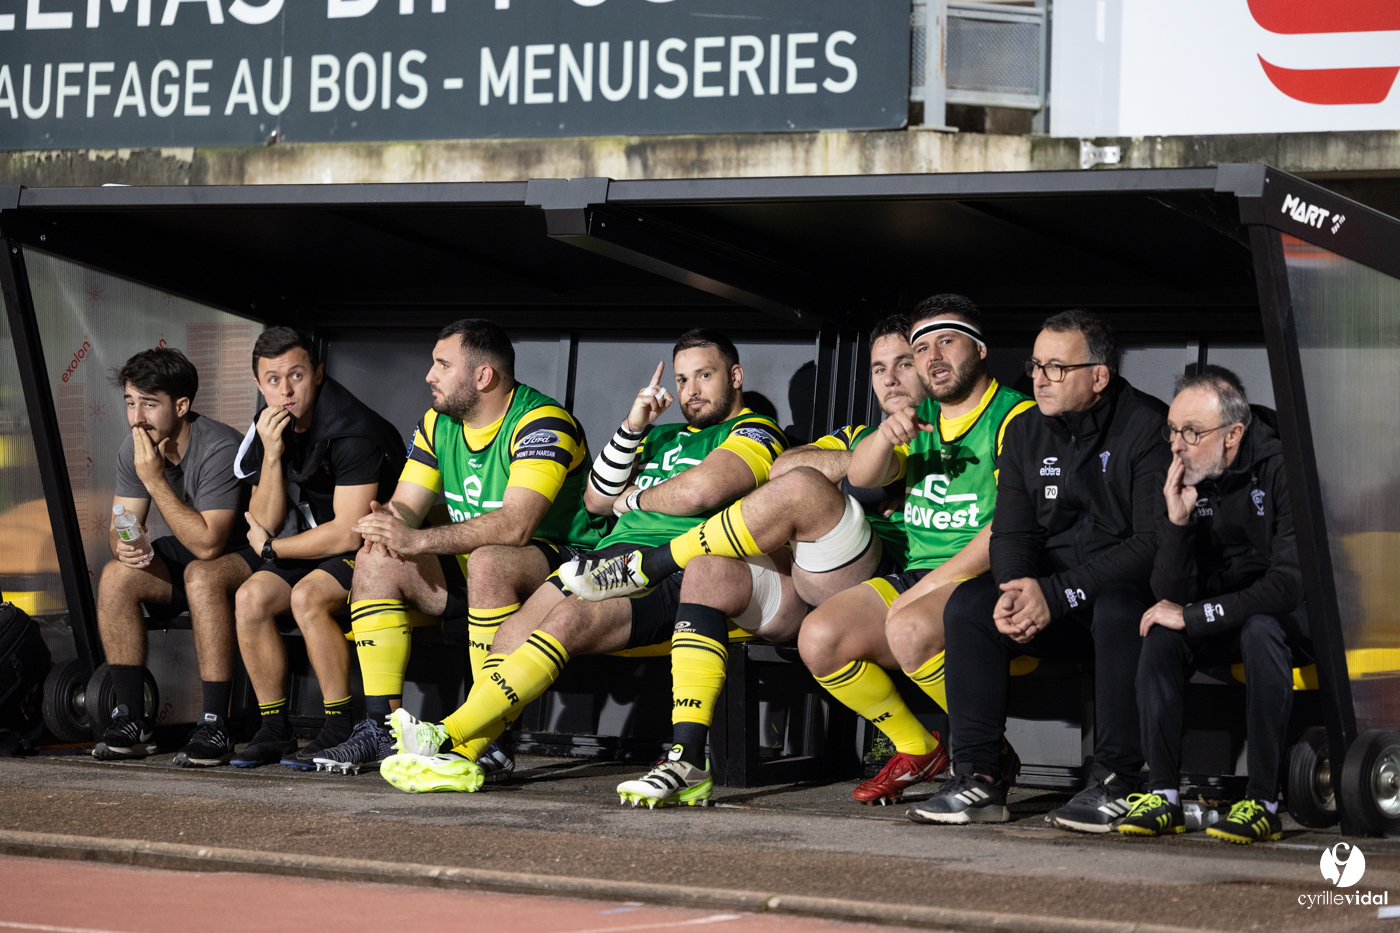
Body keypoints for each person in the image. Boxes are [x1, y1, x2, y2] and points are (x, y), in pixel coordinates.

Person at [380, 329, 787, 803]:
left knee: (569, 620)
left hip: (672, 566)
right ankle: (467, 756)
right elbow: (596, 499)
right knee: (510, 637)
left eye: (704, 375)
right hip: (601, 560)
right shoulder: (661, 435)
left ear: (734, 376)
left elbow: (702, 492)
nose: (691, 390)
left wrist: (632, 498)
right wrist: (635, 426)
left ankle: (444, 735)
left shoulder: (755, 430)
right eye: (681, 379)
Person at [570, 313, 927, 806]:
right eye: (879, 368)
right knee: (710, 568)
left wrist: (875, 463)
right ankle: (687, 757)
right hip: (826, 577)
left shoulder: (969, 435)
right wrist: (873, 454)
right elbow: (787, 465)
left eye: (903, 363)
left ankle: (652, 564)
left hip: (902, 575)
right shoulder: (857, 432)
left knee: (799, 499)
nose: (889, 378)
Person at [912, 310, 1170, 830]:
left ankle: (1117, 779)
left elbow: (1150, 544)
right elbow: (1012, 533)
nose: (1039, 378)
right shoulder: (1026, 429)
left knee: (1123, 607)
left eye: (1056, 367)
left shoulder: (1146, 424)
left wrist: (1056, 594)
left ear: (1098, 376)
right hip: (1050, 601)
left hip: (1115, 596)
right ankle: (979, 778)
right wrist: (1014, 591)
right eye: (1036, 365)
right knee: (969, 604)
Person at [315, 319, 607, 775]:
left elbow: (516, 527)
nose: (429, 375)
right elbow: (407, 506)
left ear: (483, 376)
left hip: (560, 570)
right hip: (476, 570)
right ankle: (380, 730)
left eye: (442, 364)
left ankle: (486, 733)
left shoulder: (542, 422)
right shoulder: (437, 422)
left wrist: (419, 538)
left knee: (491, 560)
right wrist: (388, 523)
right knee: (376, 556)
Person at [805, 296, 1034, 805]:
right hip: (922, 575)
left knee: (908, 626)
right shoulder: (921, 412)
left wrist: (929, 587)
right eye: (922, 347)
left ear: (978, 347)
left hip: (986, 579)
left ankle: (980, 755)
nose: (933, 357)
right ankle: (925, 747)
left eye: (946, 342)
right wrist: (887, 436)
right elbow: (862, 476)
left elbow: (1009, 530)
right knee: (820, 638)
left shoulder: (1015, 416)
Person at [1117, 366, 1304, 844]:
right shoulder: (1183, 475)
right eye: (1174, 430)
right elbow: (1170, 594)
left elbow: (1288, 584)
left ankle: (1264, 802)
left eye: (1192, 432)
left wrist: (1196, 615)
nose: (1176, 444)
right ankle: (1164, 797)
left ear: (1233, 435)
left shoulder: (1284, 466)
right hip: (1221, 618)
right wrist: (1177, 526)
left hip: (1288, 622)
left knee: (1260, 629)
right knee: (1158, 632)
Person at [230, 327, 404, 769]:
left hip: (374, 550)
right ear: (258, 383)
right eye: (273, 380)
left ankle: (338, 725)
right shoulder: (270, 423)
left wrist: (272, 551)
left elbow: (349, 532)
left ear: (318, 374)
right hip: (310, 544)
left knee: (307, 597)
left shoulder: (353, 429)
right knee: (250, 598)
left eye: (296, 376)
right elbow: (264, 519)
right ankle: (274, 728)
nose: (285, 391)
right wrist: (271, 455)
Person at [92, 348, 259, 766]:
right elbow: (120, 526)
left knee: (203, 574)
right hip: (190, 556)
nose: (136, 417)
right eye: (131, 402)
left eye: (149, 403)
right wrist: (126, 546)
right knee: (116, 576)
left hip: (248, 558)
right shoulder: (135, 445)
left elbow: (208, 545)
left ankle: (215, 723)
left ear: (181, 406)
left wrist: (154, 478)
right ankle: (132, 719)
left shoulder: (220, 446)